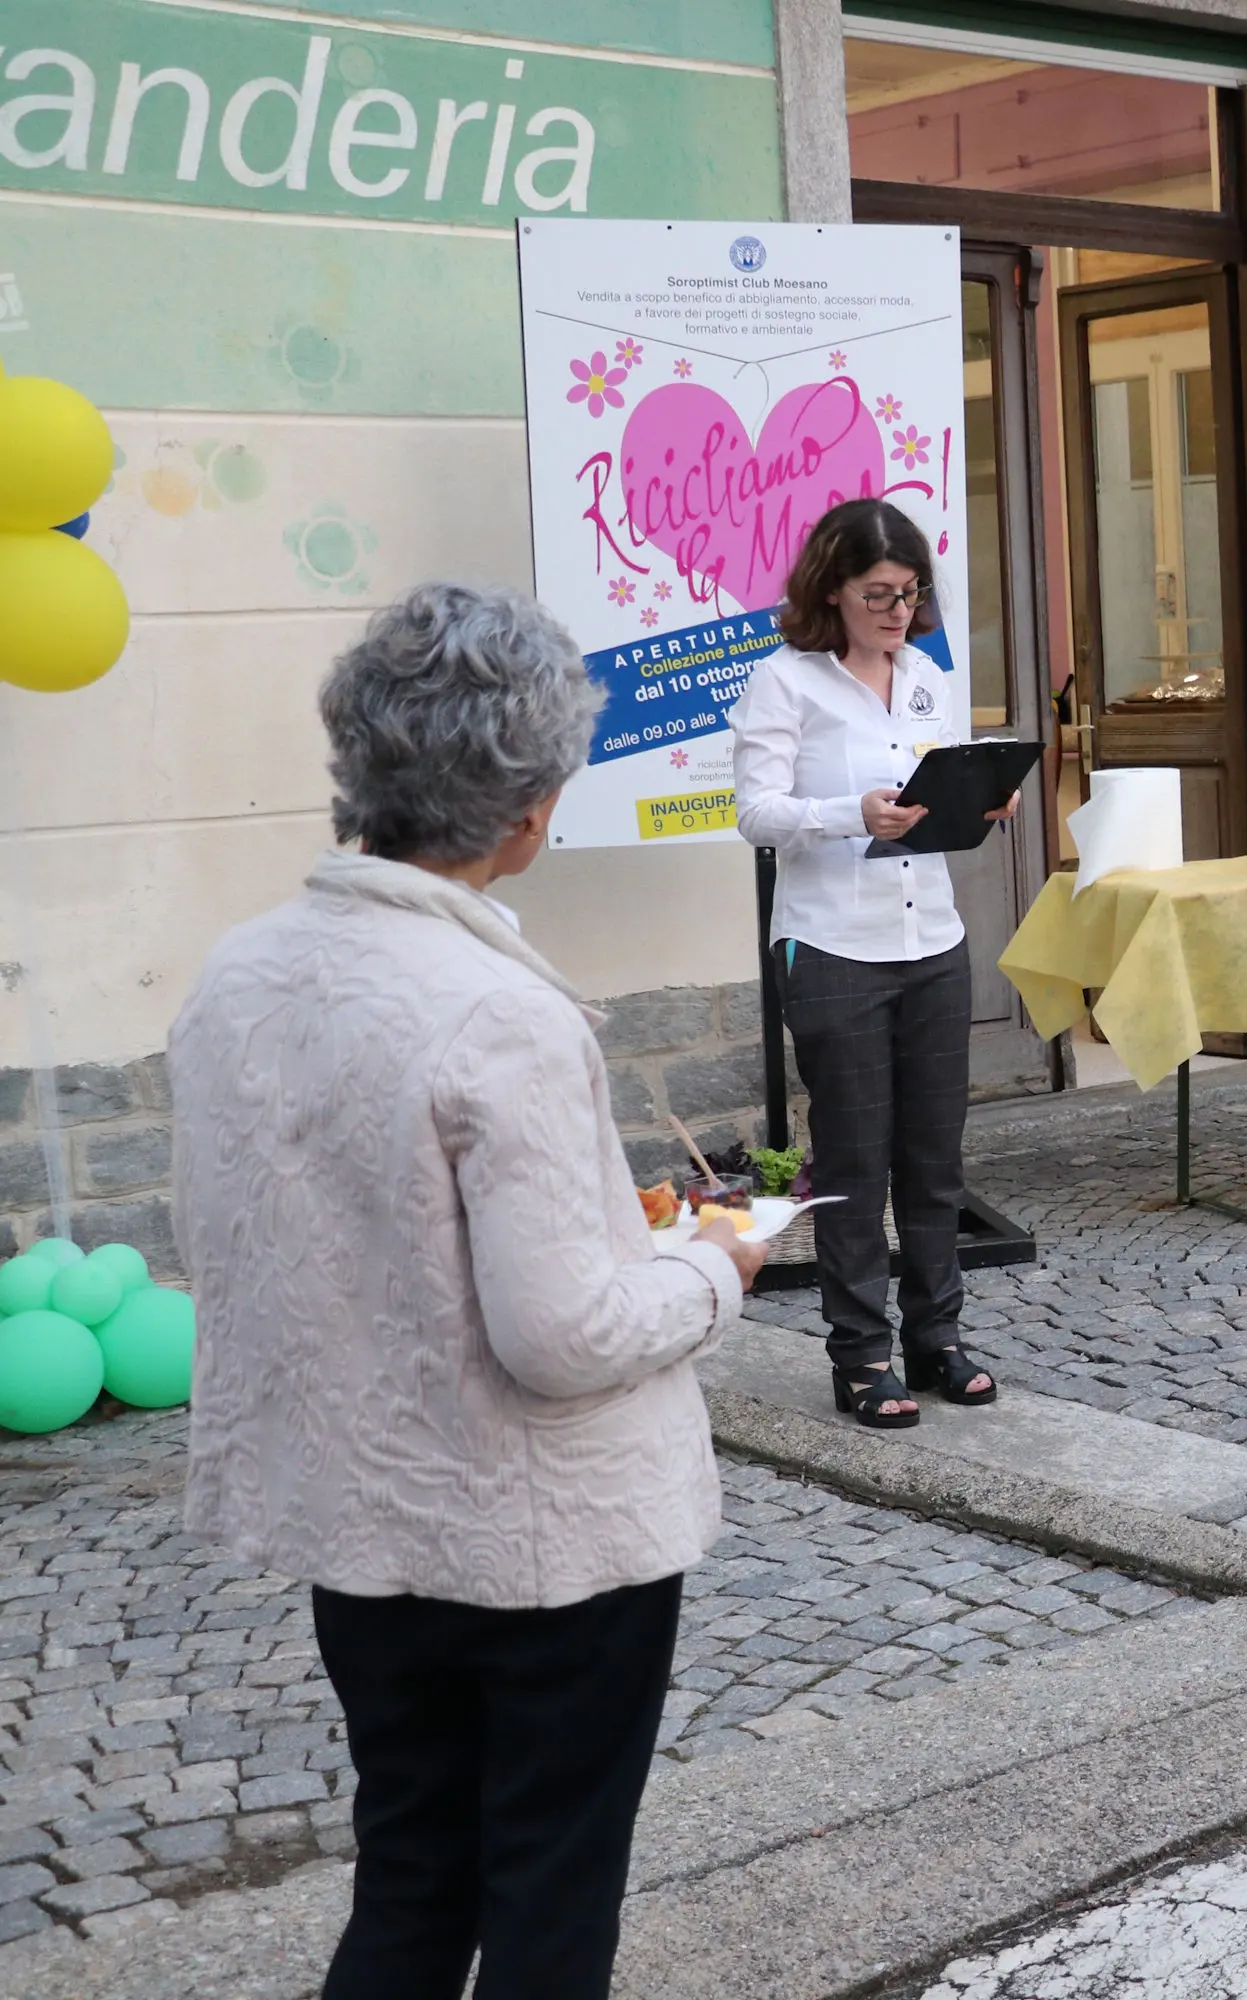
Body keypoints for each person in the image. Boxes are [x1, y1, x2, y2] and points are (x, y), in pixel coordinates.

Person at [170, 583, 766, 1999]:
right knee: (550, 1904)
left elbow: (256, 1241)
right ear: (530, 807)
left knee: (413, 1878)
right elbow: (562, 1337)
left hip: (363, 1530)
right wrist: (711, 1266)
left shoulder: (237, 976)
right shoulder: (494, 1008)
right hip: (543, 1546)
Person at [732, 498, 1009, 1427]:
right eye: (880, 595)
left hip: (932, 937)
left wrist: (974, 800)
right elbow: (756, 814)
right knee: (855, 1161)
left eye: (911, 593)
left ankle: (938, 1339)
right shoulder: (787, 683)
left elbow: (933, 792)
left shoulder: (925, 674)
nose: (899, 612)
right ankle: (860, 1356)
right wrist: (854, 811)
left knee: (934, 1158)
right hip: (832, 945)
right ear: (833, 592)